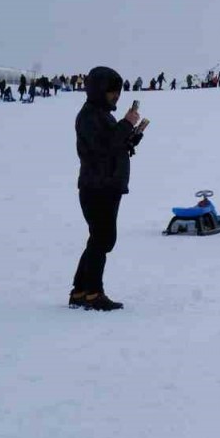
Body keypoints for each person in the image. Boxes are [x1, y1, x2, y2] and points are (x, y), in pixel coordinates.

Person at [70, 66, 142, 311]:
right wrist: (125, 124)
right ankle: (93, 293)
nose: (117, 96)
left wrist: (130, 136)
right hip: (97, 186)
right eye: (112, 92)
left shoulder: (101, 114)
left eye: (118, 92)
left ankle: (80, 290)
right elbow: (103, 148)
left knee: (98, 239)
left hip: (106, 184)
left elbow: (114, 145)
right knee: (102, 239)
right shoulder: (90, 116)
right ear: (100, 90)